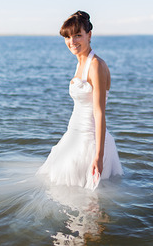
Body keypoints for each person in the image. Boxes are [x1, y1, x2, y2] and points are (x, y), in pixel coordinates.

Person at [37, 11, 123, 190]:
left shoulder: (96, 65)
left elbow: (99, 113)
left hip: (89, 142)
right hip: (73, 135)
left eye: (78, 35)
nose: (72, 41)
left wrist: (98, 157)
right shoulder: (80, 62)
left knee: (87, 200)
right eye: (68, 37)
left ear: (89, 35)